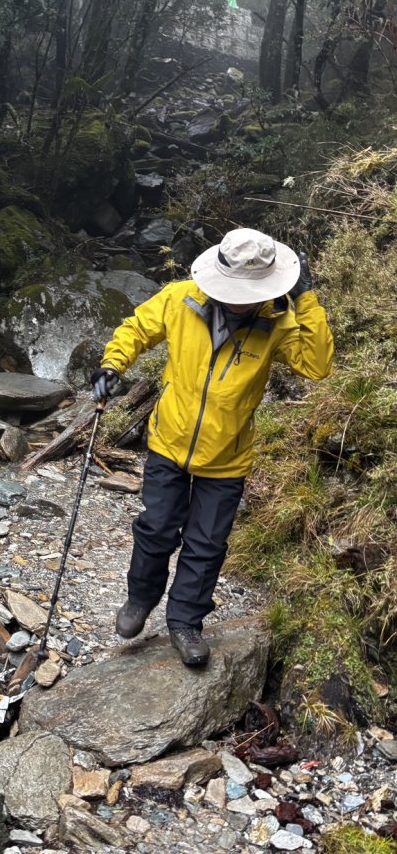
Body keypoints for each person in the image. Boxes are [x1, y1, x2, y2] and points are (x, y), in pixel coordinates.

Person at [91, 228, 334, 666]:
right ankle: (139, 600)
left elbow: (317, 366)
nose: (239, 299)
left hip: (227, 457)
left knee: (207, 544)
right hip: (169, 441)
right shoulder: (181, 298)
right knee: (157, 528)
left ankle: (184, 622)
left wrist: (308, 299)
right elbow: (137, 328)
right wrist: (112, 363)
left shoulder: (279, 321)